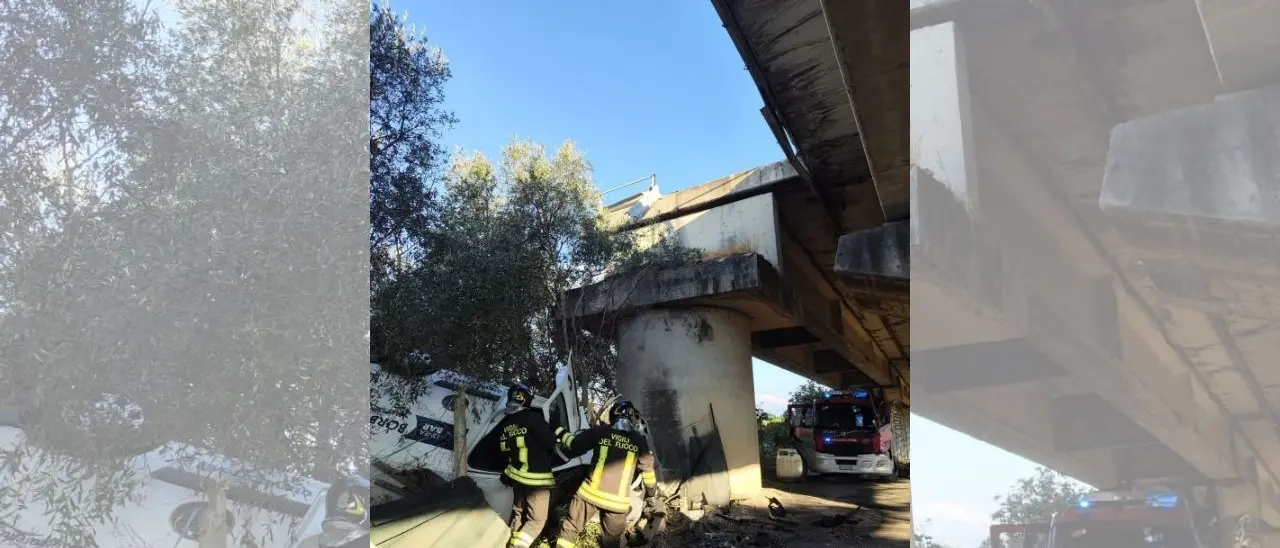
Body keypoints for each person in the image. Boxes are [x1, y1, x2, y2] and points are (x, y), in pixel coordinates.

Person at [553, 399, 658, 548]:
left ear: (612, 415)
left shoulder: (600, 432)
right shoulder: (638, 440)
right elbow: (648, 472)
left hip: (589, 495)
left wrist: (558, 430)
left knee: (571, 529)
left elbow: (574, 445)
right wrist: (651, 494)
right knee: (611, 542)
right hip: (617, 503)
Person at [497, 382, 561, 548]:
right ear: (527, 400)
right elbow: (550, 443)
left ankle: (512, 540)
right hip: (537, 481)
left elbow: (504, 451)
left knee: (519, 514)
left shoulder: (506, 425)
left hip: (518, 479)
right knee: (536, 521)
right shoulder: (534, 418)